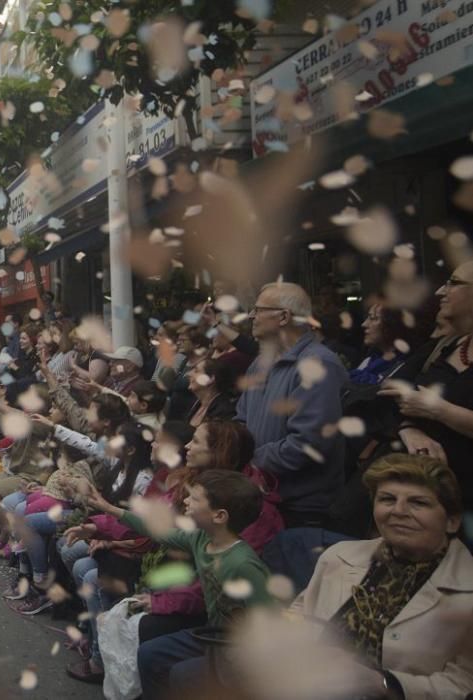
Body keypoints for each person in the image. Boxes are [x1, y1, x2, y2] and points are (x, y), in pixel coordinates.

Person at [290, 454, 473, 699]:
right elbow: (301, 613)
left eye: (418, 503)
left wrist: (383, 683)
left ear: (452, 521)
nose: (398, 511)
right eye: (387, 499)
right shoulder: (338, 556)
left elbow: (464, 683)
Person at [88, 470, 274, 698]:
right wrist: (110, 509)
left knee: (183, 675)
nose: (185, 500)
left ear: (219, 516)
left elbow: (270, 619)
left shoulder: (243, 564)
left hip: (239, 650)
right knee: (149, 654)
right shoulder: (201, 538)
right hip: (212, 635)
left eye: (195, 498)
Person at [236, 282, 348, 527]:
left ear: (283, 316)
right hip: (263, 500)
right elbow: (241, 421)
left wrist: (248, 461)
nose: (252, 316)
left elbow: (309, 444)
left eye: (258, 309)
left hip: (303, 511)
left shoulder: (318, 365)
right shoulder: (259, 364)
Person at [379, 262, 473, 509]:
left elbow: (421, 402)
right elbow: (388, 392)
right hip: (416, 494)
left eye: (453, 282)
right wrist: (410, 428)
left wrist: (437, 410)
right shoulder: (449, 344)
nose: (441, 291)